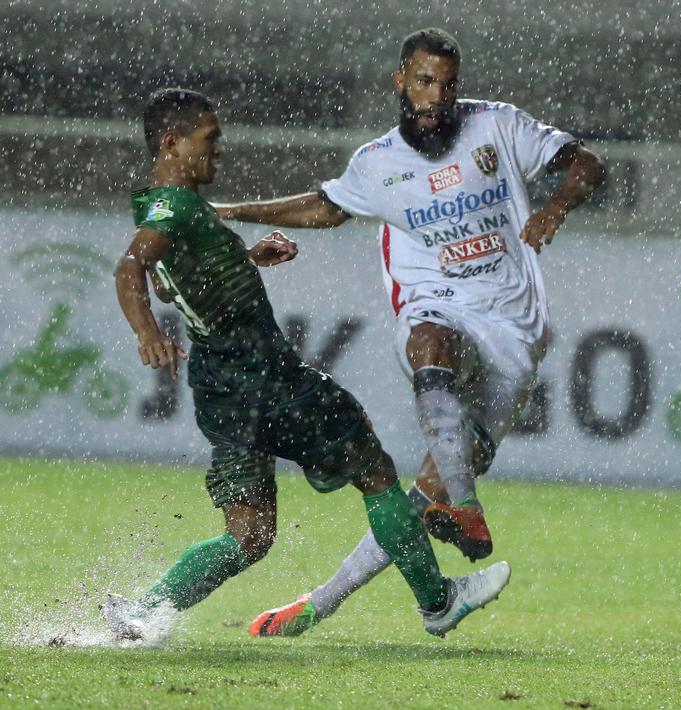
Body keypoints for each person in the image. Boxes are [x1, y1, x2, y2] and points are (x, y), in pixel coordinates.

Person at [212, 27, 605, 637]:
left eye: (447, 85)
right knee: (428, 340)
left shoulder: (499, 128)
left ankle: (328, 600)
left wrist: (554, 206)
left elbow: (587, 164)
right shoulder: (377, 164)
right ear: (402, 81)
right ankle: (465, 506)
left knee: (420, 495)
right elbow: (325, 206)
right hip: (437, 307)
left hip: (514, 336)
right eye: (424, 82)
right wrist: (234, 212)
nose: (436, 97)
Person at [104, 87, 509, 644]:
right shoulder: (175, 209)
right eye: (210, 139)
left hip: (221, 389)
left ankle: (144, 611)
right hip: (266, 375)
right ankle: (439, 602)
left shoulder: (159, 205)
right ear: (173, 142)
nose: (219, 151)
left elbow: (181, 288)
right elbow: (131, 268)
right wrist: (146, 332)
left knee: (249, 536)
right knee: (376, 471)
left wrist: (246, 260)